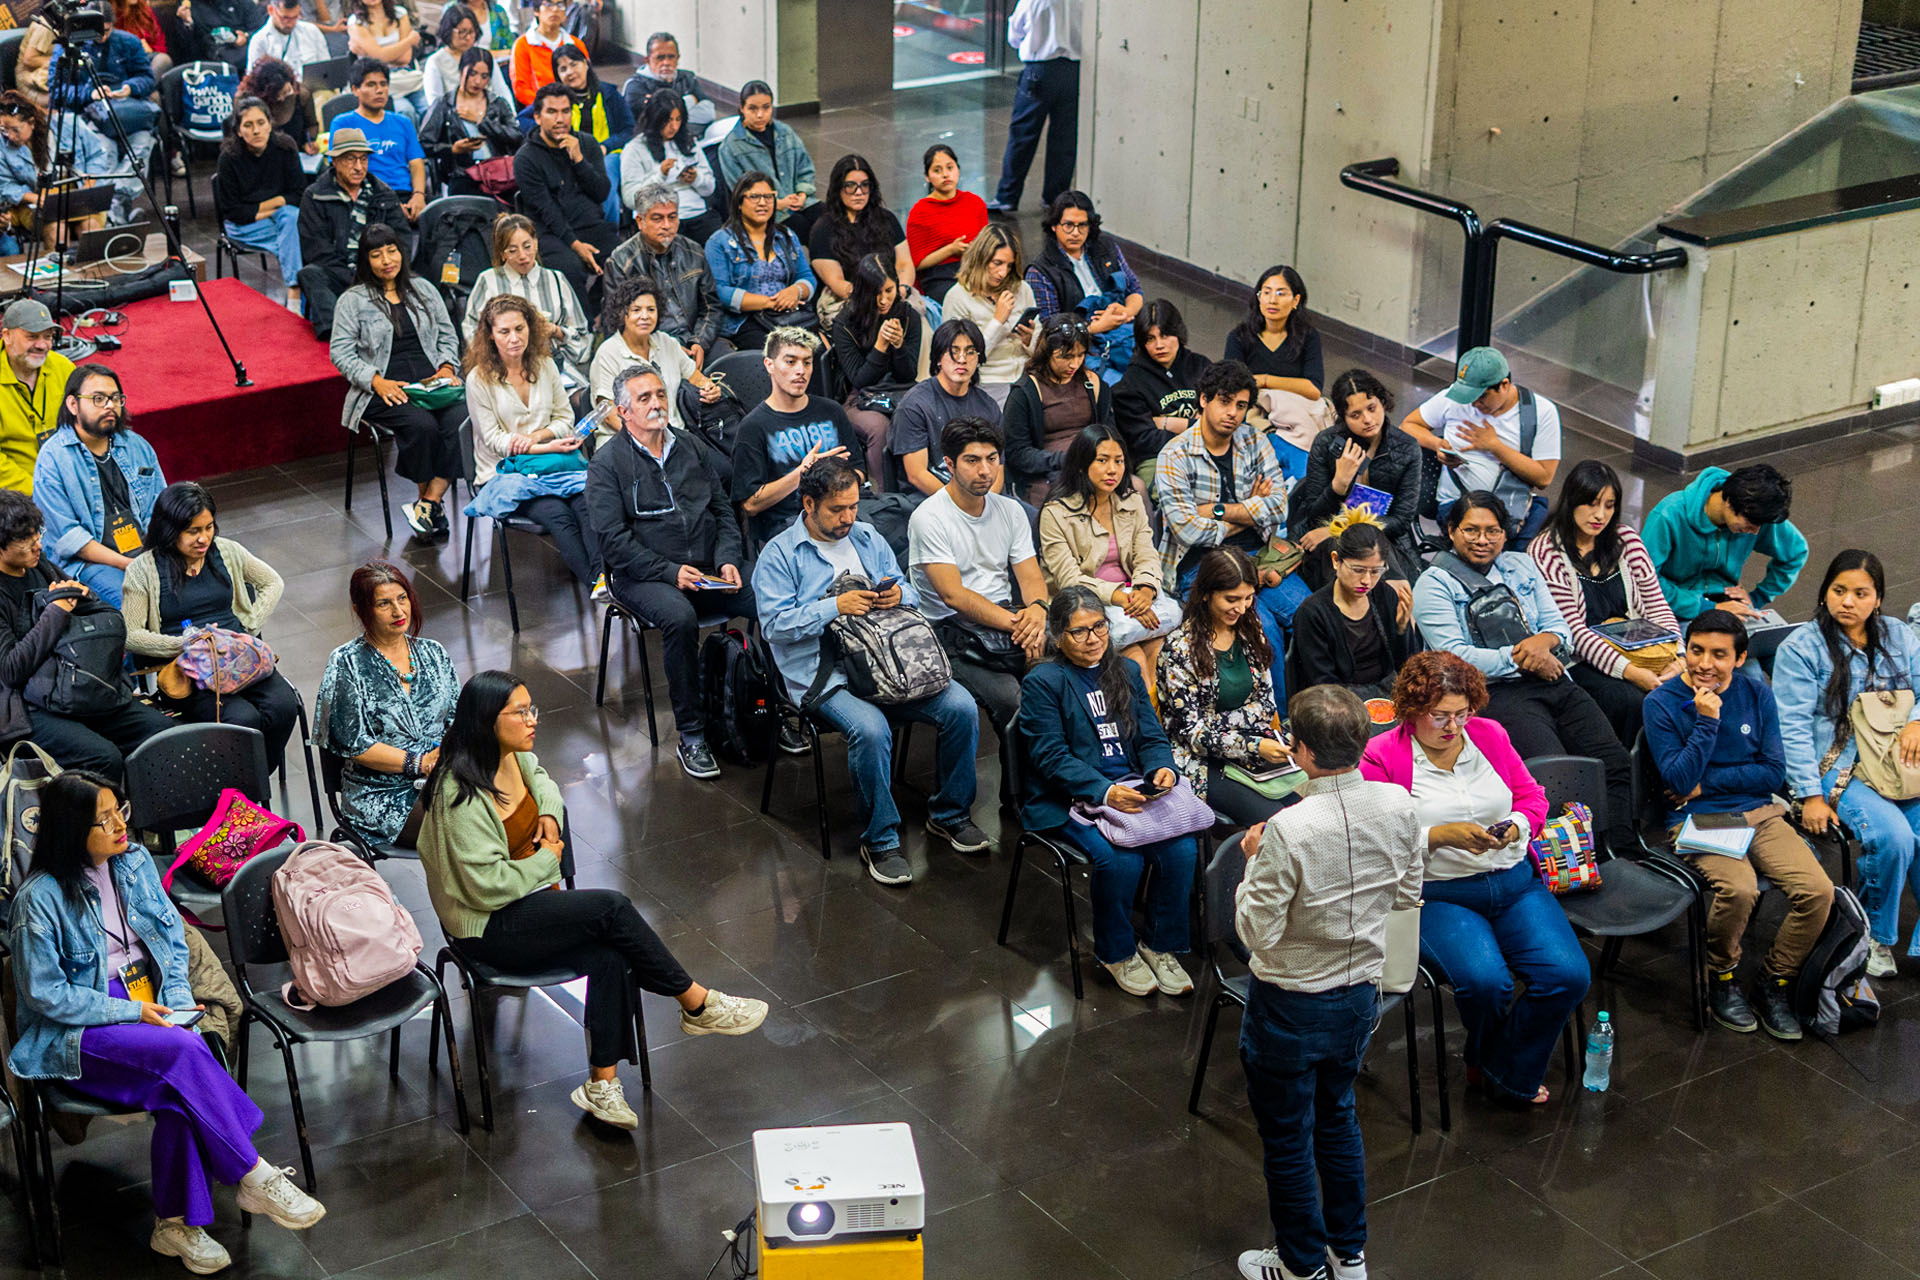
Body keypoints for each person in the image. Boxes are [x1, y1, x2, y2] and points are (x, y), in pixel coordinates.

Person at [9, 772, 329, 1275]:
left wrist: (176, 1002)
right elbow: (48, 995)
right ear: (71, 830)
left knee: (179, 1092)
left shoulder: (134, 862)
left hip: (149, 1001)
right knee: (184, 1055)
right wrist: (132, 1011)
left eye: (120, 811)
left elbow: (171, 944)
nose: (121, 826)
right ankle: (253, 1173)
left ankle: (175, 1226)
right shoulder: (39, 899)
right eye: (104, 820)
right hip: (77, 1029)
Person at [419, 670, 768, 1131]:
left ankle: (602, 1084)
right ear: (487, 720)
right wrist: (546, 861)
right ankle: (697, 1003)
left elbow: (542, 779)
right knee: (613, 908)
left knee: (611, 955)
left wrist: (547, 814)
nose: (532, 720)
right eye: (520, 713)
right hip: (486, 927)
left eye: (531, 709)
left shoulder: (511, 756)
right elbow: (487, 887)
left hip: (524, 904)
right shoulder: (460, 794)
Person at [1233, 685, 1423, 1280]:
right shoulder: (1399, 804)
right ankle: (1349, 1254)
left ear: (1303, 751)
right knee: (1338, 1117)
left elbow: (1255, 932)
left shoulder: (1287, 828)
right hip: (1360, 995)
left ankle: (1300, 1266)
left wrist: (1251, 860)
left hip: (1289, 1004)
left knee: (1288, 1139)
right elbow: (1408, 893)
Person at [1360, 650, 1589, 1105]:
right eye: (1439, 716)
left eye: (1462, 714)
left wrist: (1517, 826)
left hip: (1513, 882)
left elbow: (1532, 797)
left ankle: (1495, 1065)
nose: (1453, 727)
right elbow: (1374, 840)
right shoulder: (1382, 756)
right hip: (1438, 893)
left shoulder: (1489, 735)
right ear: (1411, 710)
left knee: (1568, 975)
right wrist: (1437, 837)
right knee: (1486, 984)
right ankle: (1503, 1070)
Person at [755, 456, 988, 884]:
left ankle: (950, 813)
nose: (848, 518)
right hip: (823, 672)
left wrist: (898, 596)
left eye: (853, 507)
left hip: (888, 661)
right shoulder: (780, 554)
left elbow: (908, 589)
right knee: (872, 728)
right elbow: (773, 626)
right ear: (808, 504)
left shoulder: (866, 536)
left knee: (961, 706)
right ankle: (880, 839)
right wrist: (834, 607)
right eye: (837, 510)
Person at [1647, 608, 1836, 1036]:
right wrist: (1707, 721)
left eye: (1719, 654)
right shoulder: (1660, 703)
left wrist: (1707, 782)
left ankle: (1775, 980)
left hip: (1760, 813)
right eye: (1696, 650)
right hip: (1698, 818)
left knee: (1818, 891)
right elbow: (1678, 780)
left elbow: (1773, 773)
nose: (1704, 664)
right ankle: (1723, 975)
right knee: (1740, 889)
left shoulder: (1756, 693)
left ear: (1740, 658)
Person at [1414, 490, 1635, 850]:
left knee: (1613, 761)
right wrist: (1524, 655)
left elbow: (1560, 628)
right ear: (1452, 531)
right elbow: (1455, 657)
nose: (1483, 540)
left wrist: (1544, 644)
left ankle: (1618, 851)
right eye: (1471, 530)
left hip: (1551, 677)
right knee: (1555, 776)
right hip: (1495, 691)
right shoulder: (1435, 582)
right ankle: (1567, 864)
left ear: (1506, 533)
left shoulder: (1521, 565)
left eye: (1493, 531)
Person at [1017, 586, 1194, 997]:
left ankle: (1160, 945)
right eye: (1079, 632)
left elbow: (1151, 736)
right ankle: (1117, 953)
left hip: (1131, 786)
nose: (1093, 638)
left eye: (1099, 626)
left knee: (1182, 850)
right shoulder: (1044, 682)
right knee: (1120, 861)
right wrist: (1104, 791)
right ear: (1058, 635)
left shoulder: (1125, 671)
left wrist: (1162, 768)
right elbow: (1051, 758)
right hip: (1070, 797)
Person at [585, 363, 755, 781]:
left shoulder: (690, 445)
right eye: (644, 398)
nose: (656, 403)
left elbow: (722, 509)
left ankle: (773, 704)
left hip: (707, 566)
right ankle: (692, 734)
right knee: (679, 617)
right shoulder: (606, 464)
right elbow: (613, 542)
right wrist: (669, 571)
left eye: (660, 394)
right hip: (641, 575)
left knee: (768, 593)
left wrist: (728, 556)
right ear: (623, 412)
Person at [1775, 550, 1920, 981]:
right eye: (1839, 591)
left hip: (1897, 763)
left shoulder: (1899, 636)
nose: (1848, 602)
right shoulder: (1801, 648)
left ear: (1878, 599)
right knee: (1893, 837)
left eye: (1861, 593)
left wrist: (1917, 722)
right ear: (1825, 593)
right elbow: (1791, 729)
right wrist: (1810, 796)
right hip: (1837, 767)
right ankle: (1873, 937)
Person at [121, 483, 302, 772]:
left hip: (235, 656)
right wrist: (182, 644)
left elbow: (272, 582)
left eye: (208, 527)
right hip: (187, 669)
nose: (203, 538)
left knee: (282, 706)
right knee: (242, 720)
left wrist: (248, 626)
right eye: (193, 531)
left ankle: (252, 780)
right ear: (169, 530)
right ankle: (243, 785)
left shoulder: (227, 551)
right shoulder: (143, 569)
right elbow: (130, 634)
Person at [0, 491, 170, 778]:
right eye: (26, 541)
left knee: (161, 733)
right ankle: (110, 808)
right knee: (103, 758)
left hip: (71, 684)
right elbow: (11, 670)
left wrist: (82, 596)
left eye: (38, 535)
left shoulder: (40, 567)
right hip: (26, 706)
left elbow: (86, 608)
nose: (38, 545)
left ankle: (153, 806)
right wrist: (56, 611)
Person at [1156, 360, 1303, 679]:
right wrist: (1252, 509)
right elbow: (1188, 530)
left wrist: (1216, 510)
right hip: (1201, 564)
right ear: (1204, 399)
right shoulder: (1175, 455)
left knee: (1311, 615)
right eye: (1224, 401)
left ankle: (1319, 703)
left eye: (1241, 405)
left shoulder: (1255, 440)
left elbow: (1279, 508)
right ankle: (1280, 711)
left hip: (1258, 555)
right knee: (1263, 631)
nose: (1233, 413)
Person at [908, 417, 1048, 737]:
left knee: (1069, 675)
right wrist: (1021, 626)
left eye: (992, 459)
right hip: (950, 633)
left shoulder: (1009, 510)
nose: (985, 470)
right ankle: (1022, 773)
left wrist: (1038, 610)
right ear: (949, 464)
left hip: (1005, 619)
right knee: (1013, 703)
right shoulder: (929, 518)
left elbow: (1030, 578)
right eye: (972, 461)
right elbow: (953, 596)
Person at [1528, 459, 1682, 744]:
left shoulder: (1627, 541)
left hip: (1638, 650)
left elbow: (1657, 606)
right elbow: (1574, 631)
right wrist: (1631, 672)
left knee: (1683, 690)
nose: (1600, 515)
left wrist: (1678, 657)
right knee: (1629, 700)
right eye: (1591, 504)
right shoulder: (1547, 551)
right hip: (1580, 658)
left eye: (1609, 506)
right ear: (1572, 501)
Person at [329, 221, 464, 540]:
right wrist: (376, 381)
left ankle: (428, 504)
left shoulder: (424, 289)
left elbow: (448, 335)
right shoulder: (352, 300)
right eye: (377, 255)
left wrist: (447, 367)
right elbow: (340, 353)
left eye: (392, 251)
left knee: (464, 421)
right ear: (366, 260)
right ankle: (429, 508)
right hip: (382, 390)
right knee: (422, 426)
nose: (387, 260)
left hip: (432, 385)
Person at [314, 560, 460, 846]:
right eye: (384, 604)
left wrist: (444, 757)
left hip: (443, 777)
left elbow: (458, 719)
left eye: (402, 599)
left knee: (507, 810)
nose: (398, 611)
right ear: (361, 610)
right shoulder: (347, 663)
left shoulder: (434, 653)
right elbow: (353, 744)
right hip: (380, 794)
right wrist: (419, 763)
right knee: (467, 828)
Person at [463, 293, 598, 588]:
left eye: (519, 328)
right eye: (504, 331)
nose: (514, 338)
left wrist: (538, 437)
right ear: (490, 335)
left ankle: (607, 581)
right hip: (506, 473)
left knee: (588, 505)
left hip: (553, 465)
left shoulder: (545, 365)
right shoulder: (478, 379)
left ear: (530, 328)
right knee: (558, 514)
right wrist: (545, 446)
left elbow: (564, 418)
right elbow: (494, 441)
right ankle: (598, 586)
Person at [1156, 548, 1290, 827]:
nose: (1241, 608)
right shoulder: (1179, 649)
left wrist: (1219, 726)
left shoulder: (1250, 628)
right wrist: (1251, 743)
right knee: (1279, 822)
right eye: (1231, 599)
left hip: (1251, 744)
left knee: (1305, 807)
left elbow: (1266, 705)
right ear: (1206, 594)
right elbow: (1194, 736)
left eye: (1248, 598)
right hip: (1201, 761)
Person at [1038, 424, 1178, 683]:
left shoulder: (1131, 501)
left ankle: (1154, 711)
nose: (1112, 469)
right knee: (1134, 660)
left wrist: (1146, 590)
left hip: (1133, 598)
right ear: (1082, 464)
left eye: (1119, 461)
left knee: (1162, 653)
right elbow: (1069, 580)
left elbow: (1147, 554)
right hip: (1086, 605)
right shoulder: (1056, 513)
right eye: (1102, 460)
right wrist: (1121, 598)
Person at [1399, 345, 1562, 543]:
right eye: (1468, 397)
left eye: (1481, 396)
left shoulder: (1541, 412)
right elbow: (1408, 425)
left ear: (1504, 385)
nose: (1474, 404)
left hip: (1511, 512)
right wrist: (1437, 444)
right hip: (1457, 507)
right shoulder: (1453, 400)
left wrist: (1495, 446)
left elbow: (1544, 477)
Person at [33, 363, 164, 607]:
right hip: (89, 563)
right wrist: (129, 564)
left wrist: (157, 555)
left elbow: (161, 508)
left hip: (144, 550)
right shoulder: (52, 460)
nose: (109, 405)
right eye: (98, 398)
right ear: (73, 405)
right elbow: (70, 539)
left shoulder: (136, 445)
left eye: (115, 398)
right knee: (135, 603)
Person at [731, 328, 863, 546]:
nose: (801, 371)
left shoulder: (832, 411)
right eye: (791, 362)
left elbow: (859, 471)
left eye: (807, 362)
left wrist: (835, 484)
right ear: (769, 365)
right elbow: (750, 505)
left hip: (843, 516)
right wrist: (803, 472)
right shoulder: (753, 426)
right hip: (790, 527)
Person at [1289, 368, 1424, 579]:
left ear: (1382, 403)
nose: (1368, 419)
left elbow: (1400, 521)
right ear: (1343, 417)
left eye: (1372, 408)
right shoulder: (1325, 443)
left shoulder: (1407, 448)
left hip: (1384, 537)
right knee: (1340, 566)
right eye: (1355, 415)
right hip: (1327, 537)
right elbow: (1315, 515)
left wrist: (1339, 529)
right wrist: (1338, 485)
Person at [1640, 462, 1806, 624]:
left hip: (1727, 600)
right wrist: (1706, 607)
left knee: (1766, 638)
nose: (1756, 532)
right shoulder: (1668, 515)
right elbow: (1645, 583)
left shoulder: (1757, 514)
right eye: (1750, 524)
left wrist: (1757, 597)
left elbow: (1796, 553)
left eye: (1760, 525)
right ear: (1729, 502)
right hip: (1675, 604)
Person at [294, 126, 405, 338]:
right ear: (334, 161)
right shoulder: (315, 196)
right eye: (350, 159)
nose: (358, 167)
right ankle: (337, 334)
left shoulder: (383, 193)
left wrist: (378, 270)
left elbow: (401, 239)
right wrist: (353, 278)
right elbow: (316, 250)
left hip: (379, 270)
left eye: (363, 159)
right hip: (339, 273)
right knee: (310, 274)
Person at [1289, 519, 1415, 702]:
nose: (1367, 581)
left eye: (1376, 571)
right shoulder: (1313, 613)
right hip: (1339, 702)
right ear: (1336, 561)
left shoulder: (1384, 594)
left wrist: (1402, 630)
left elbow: (1407, 665)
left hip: (1388, 694)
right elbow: (1323, 684)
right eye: (1358, 570)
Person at [516, 81, 616, 310]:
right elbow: (547, 211)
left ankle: (601, 311)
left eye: (565, 111)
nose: (560, 119)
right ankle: (583, 325)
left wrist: (579, 160)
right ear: (538, 117)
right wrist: (576, 245)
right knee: (569, 269)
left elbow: (601, 192)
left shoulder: (587, 144)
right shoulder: (526, 158)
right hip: (550, 233)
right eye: (552, 112)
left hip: (589, 224)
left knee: (624, 259)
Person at [461, 212, 591, 383]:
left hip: (553, 364)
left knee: (579, 393)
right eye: (512, 251)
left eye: (527, 246)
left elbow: (581, 334)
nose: (522, 256)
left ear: (536, 244)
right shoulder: (488, 280)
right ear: (502, 253)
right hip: (502, 369)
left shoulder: (556, 279)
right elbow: (472, 330)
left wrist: (555, 331)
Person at [603, 177, 721, 366]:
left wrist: (699, 342)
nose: (666, 225)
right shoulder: (620, 262)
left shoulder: (693, 251)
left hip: (695, 340)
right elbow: (619, 323)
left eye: (672, 217)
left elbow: (711, 307)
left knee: (731, 367)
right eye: (657, 218)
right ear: (640, 221)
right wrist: (668, 348)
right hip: (649, 347)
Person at [1024, 191, 1141, 380]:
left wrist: (1126, 312)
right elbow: (1050, 332)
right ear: (1054, 226)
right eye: (1068, 225)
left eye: (1082, 225)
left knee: (1154, 370)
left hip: (1122, 333)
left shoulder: (1106, 248)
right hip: (1078, 348)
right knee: (1118, 384)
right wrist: (1095, 327)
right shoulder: (1040, 271)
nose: (1076, 233)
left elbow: (1134, 289)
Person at [1002, 312, 1114, 504]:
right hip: (1046, 471)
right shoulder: (1026, 391)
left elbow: (1110, 433)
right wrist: (1063, 459)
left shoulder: (1093, 383)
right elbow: (1017, 453)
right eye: (1066, 356)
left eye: (1080, 355)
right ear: (1047, 352)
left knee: (1134, 487)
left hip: (1093, 463)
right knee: (1064, 496)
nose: (1074, 364)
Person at [827, 254, 920, 485]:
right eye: (876, 293)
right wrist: (880, 346)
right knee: (879, 427)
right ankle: (884, 493)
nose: (883, 300)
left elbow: (908, 375)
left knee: (925, 410)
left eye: (889, 290)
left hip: (899, 389)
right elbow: (859, 379)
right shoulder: (845, 323)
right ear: (863, 292)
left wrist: (899, 346)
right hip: (859, 397)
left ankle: (921, 483)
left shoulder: (908, 316)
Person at [1224, 266, 1328, 470]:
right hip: (1254, 414)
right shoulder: (1239, 336)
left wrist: (1264, 380)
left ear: (1296, 300)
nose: (1272, 300)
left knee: (1302, 460)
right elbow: (1231, 384)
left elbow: (1313, 389)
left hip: (1293, 416)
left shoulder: (1308, 337)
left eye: (1281, 293)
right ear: (1258, 297)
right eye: (1266, 292)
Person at [588, 277, 718, 435]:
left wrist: (710, 388)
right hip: (626, 440)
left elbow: (695, 377)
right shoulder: (607, 353)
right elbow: (609, 415)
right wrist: (647, 439)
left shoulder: (667, 342)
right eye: (636, 310)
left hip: (676, 436)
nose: (645, 316)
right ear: (622, 314)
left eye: (651, 309)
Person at [704, 170, 817, 350]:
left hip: (788, 315)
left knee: (818, 350)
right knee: (776, 353)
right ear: (739, 202)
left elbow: (807, 276)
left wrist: (796, 291)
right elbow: (721, 291)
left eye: (768, 197)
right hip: (745, 321)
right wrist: (770, 302)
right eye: (754, 197)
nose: (763, 203)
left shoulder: (786, 236)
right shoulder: (719, 241)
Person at [890, 317, 1002, 498]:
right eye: (953, 352)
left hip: (981, 499)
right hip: (929, 499)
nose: (962, 359)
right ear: (938, 358)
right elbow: (917, 474)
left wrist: (987, 504)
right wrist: (963, 504)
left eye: (970, 352)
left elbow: (998, 468)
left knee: (1030, 513)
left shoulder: (988, 405)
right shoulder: (915, 404)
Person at [0, 92, 129, 249]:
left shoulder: (68, 124)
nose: (10, 136)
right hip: (36, 200)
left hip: (78, 194)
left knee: (90, 227)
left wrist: (90, 183)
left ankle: (95, 264)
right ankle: (56, 264)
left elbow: (97, 154)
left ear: (31, 122)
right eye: (4, 130)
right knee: (56, 230)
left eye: (15, 130)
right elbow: (4, 184)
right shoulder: (3, 145)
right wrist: (33, 198)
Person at [214, 95, 307, 309]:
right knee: (297, 237)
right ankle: (296, 296)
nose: (256, 131)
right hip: (243, 227)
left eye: (261, 123)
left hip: (280, 220)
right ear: (238, 131)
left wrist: (268, 207)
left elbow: (300, 193)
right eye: (248, 125)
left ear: (269, 124)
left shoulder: (285, 147)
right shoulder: (228, 159)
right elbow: (233, 212)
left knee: (291, 222)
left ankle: (296, 297)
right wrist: (276, 207)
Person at [989, 0, 1081, 214]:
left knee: (1023, 135)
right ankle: (1055, 197)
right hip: (1073, 71)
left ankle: (1008, 196)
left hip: (1039, 71)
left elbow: (1014, 36)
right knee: (1065, 138)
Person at [47, 3, 158, 170]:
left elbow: (147, 78)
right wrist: (90, 94)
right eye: (98, 32)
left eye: (107, 30)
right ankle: (109, 187)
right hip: (88, 115)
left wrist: (130, 88)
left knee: (141, 147)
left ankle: (117, 189)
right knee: (104, 152)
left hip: (126, 112)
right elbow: (56, 90)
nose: (103, 36)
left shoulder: (129, 42)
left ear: (112, 25)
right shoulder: (69, 48)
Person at [807, 154, 912, 325]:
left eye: (865, 185)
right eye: (850, 186)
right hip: (850, 300)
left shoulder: (886, 219)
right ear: (838, 188)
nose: (859, 192)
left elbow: (904, 263)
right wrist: (874, 299)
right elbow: (837, 282)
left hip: (893, 296)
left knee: (918, 323)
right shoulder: (823, 228)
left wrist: (902, 289)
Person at [1112, 299, 1207, 485]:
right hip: (1157, 457)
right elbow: (1143, 439)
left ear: (1178, 333)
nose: (1159, 345)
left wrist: (1170, 423)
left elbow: (1220, 416)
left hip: (1208, 450)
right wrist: (1198, 427)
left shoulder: (1201, 366)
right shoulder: (1130, 384)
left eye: (1165, 335)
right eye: (1150, 339)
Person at [940, 223, 1036, 406]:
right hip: (987, 381)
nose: (1003, 273)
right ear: (980, 259)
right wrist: (997, 321)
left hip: (1026, 375)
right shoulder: (957, 297)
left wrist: (1029, 341)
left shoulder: (1022, 289)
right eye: (997, 263)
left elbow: (1039, 347)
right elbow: (960, 360)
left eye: (1009, 265)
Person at [418, 46, 522, 195]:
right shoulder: (445, 104)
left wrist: (482, 121)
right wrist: (452, 149)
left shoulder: (498, 103)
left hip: (498, 174)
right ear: (461, 71)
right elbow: (424, 143)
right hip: (461, 174)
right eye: (472, 74)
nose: (477, 81)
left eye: (484, 76)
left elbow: (516, 137)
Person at [332, 59, 428, 221]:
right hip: (367, 197)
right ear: (355, 90)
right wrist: (392, 207)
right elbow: (341, 169)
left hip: (405, 194)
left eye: (383, 84)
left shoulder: (403, 122)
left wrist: (419, 196)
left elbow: (416, 163)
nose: (379, 90)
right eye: (371, 85)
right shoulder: (343, 123)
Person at [621, 88, 716, 245]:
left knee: (718, 243)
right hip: (660, 218)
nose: (674, 126)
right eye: (668, 120)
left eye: (678, 119)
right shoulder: (635, 148)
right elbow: (630, 199)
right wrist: (660, 176)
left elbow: (710, 188)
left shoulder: (689, 143)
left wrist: (696, 178)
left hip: (696, 213)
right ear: (655, 119)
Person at [714, 81, 815, 222]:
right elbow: (741, 191)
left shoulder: (785, 132)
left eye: (766, 108)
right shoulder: (730, 147)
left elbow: (805, 168)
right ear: (742, 108)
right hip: (766, 211)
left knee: (827, 218)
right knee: (799, 225)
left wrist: (802, 194)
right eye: (753, 109)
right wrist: (777, 203)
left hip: (800, 202)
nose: (760, 115)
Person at [0, 299, 75, 487]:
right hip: (14, 495)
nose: (42, 345)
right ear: (7, 336)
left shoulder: (64, 368)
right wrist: (37, 493)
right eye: (32, 337)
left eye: (48, 337)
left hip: (67, 481)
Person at [905, 144, 984, 302]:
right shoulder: (920, 212)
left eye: (950, 168)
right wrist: (950, 249)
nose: (945, 175)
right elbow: (916, 263)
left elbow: (987, 243)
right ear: (927, 177)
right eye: (937, 170)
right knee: (962, 299)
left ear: (958, 169)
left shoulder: (975, 203)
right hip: (939, 276)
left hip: (975, 268)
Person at [529, 42, 630, 163]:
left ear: (586, 64)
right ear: (558, 75)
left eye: (574, 64)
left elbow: (628, 129)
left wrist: (605, 146)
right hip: (567, 156)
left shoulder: (609, 93)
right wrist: (550, 134)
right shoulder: (554, 99)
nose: (570, 72)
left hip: (606, 155)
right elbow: (523, 118)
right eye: (563, 69)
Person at [621, 31, 715, 141]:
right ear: (647, 60)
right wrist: (690, 101)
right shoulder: (635, 86)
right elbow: (653, 122)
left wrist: (670, 114)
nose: (666, 62)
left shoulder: (687, 78)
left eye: (671, 57)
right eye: (660, 58)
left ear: (678, 58)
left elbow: (709, 113)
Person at [344, 0, 425, 121]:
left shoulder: (400, 14)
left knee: (429, 109)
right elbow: (380, 57)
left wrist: (372, 54)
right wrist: (409, 41)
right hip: (378, 81)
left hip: (407, 78)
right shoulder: (355, 22)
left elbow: (405, 58)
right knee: (406, 111)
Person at [424, 4, 511, 102]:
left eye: (471, 32)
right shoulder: (435, 61)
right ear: (448, 30)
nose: (468, 38)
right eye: (462, 32)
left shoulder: (483, 55)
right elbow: (434, 101)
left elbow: (502, 91)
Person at [239, 56, 320, 157]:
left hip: (296, 154)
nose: (282, 98)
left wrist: (309, 141)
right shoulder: (247, 100)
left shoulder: (301, 94)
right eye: (277, 96)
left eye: (286, 92)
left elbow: (311, 125)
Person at [509, 0, 585, 107]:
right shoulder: (523, 44)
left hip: (575, 106)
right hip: (539, 108)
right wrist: (548, 106)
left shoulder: (576, 44)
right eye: (548, 4)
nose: (555, 9)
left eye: (560, 5)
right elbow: (521, 89)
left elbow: (587, 80)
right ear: (536, 11)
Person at [247, 0, 328, 79]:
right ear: (271, 10)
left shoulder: (312, 31)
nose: (290, 23)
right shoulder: (259, 40)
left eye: (295, 17)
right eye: (285, 18)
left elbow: (326, 68)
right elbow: (253, 80)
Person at [191, 0, 268, 69]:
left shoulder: (243, 3)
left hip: (246, 54)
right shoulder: (192, 7)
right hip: (212, 59)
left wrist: (246, 37)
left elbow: (261, 30)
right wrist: (189, 24)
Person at [115, 0, 178, 79]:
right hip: (124, 65)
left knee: (163, 60)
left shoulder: (145, 10)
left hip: (148, 60)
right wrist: (137, 48)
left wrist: (151, 50)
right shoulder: (111, 15)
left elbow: (160, 42)